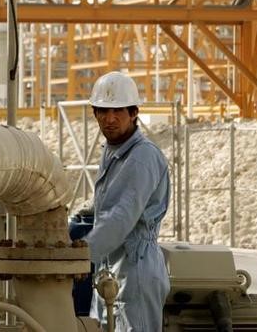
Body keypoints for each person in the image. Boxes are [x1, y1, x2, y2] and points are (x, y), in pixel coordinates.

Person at [82, 71, 170, 331]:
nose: (110, 119)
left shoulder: (141, 157)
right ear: (95, 113)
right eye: (103, 111)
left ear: (133, 113)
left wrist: (79, 255)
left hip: (135, 272)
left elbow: (121, 216)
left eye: (118, 111)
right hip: (111, 268)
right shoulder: (114, 152)